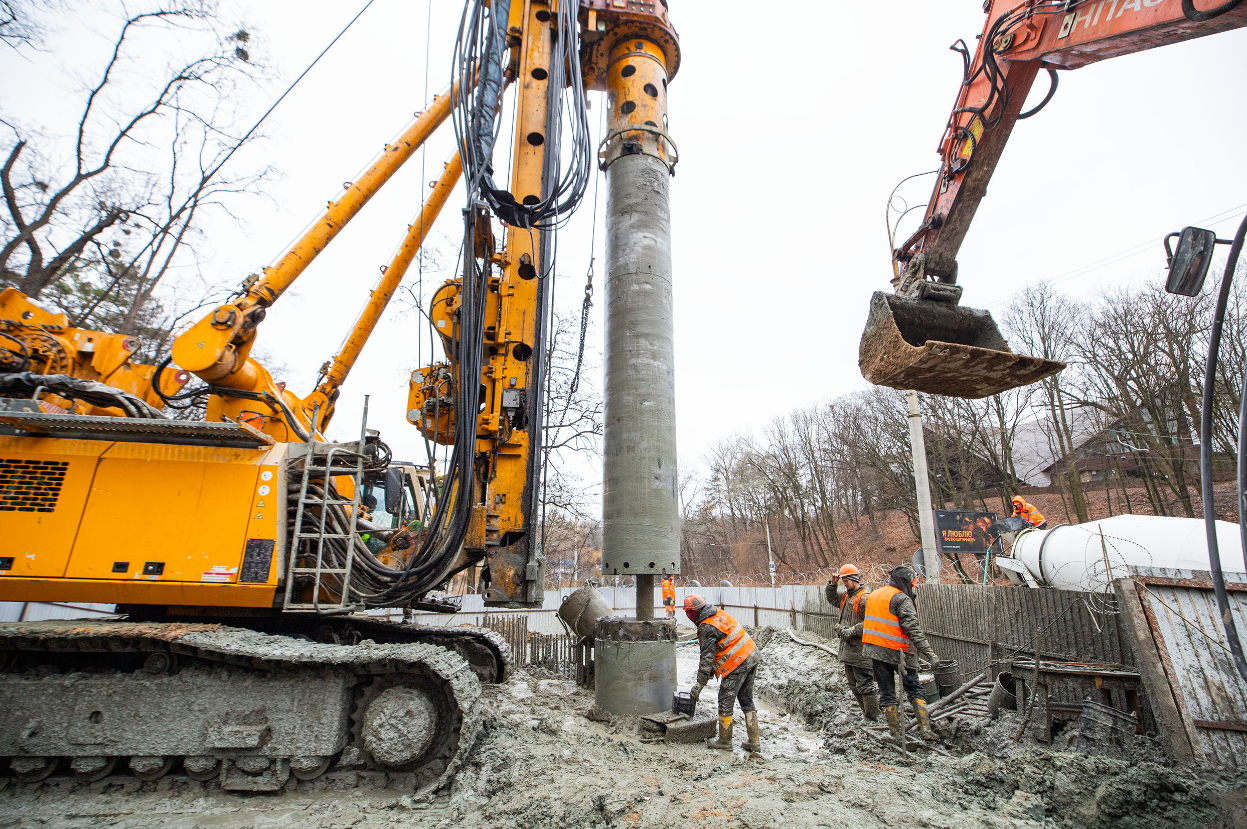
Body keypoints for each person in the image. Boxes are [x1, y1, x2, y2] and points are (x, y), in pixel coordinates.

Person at [862, 565, 939, 745]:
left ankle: (895, 735)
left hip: (876, 651)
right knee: (914, 688)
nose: (913, 588)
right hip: (899, 651)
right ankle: (925, 730)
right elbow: (913, 629)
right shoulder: (901, 599)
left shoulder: (873, 595)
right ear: (905, 582)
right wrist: (930, 654)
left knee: (887, 693)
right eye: (912, 584)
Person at [684, 593, 761, 752]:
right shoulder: (718, 614)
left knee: (725, 699)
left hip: (738, 662)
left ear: (693, 613)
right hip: (752, 654)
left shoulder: (705, 627)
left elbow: (707, 658)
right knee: (746, 698)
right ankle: (754, 741)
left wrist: (699, 685)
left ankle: (725, 741)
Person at [826, 564, 879, 721]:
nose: (844, 583)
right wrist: (832, 584)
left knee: (865, 685)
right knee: (854, 685)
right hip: (848, 651)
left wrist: (853, 631)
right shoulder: (845, 596)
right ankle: (867, 714)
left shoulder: (864, 598)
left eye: (846, 580)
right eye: (842, 581)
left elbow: (871, 621)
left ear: (854, 579)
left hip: (862, 651)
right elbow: (831, 598)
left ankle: (872, 718)